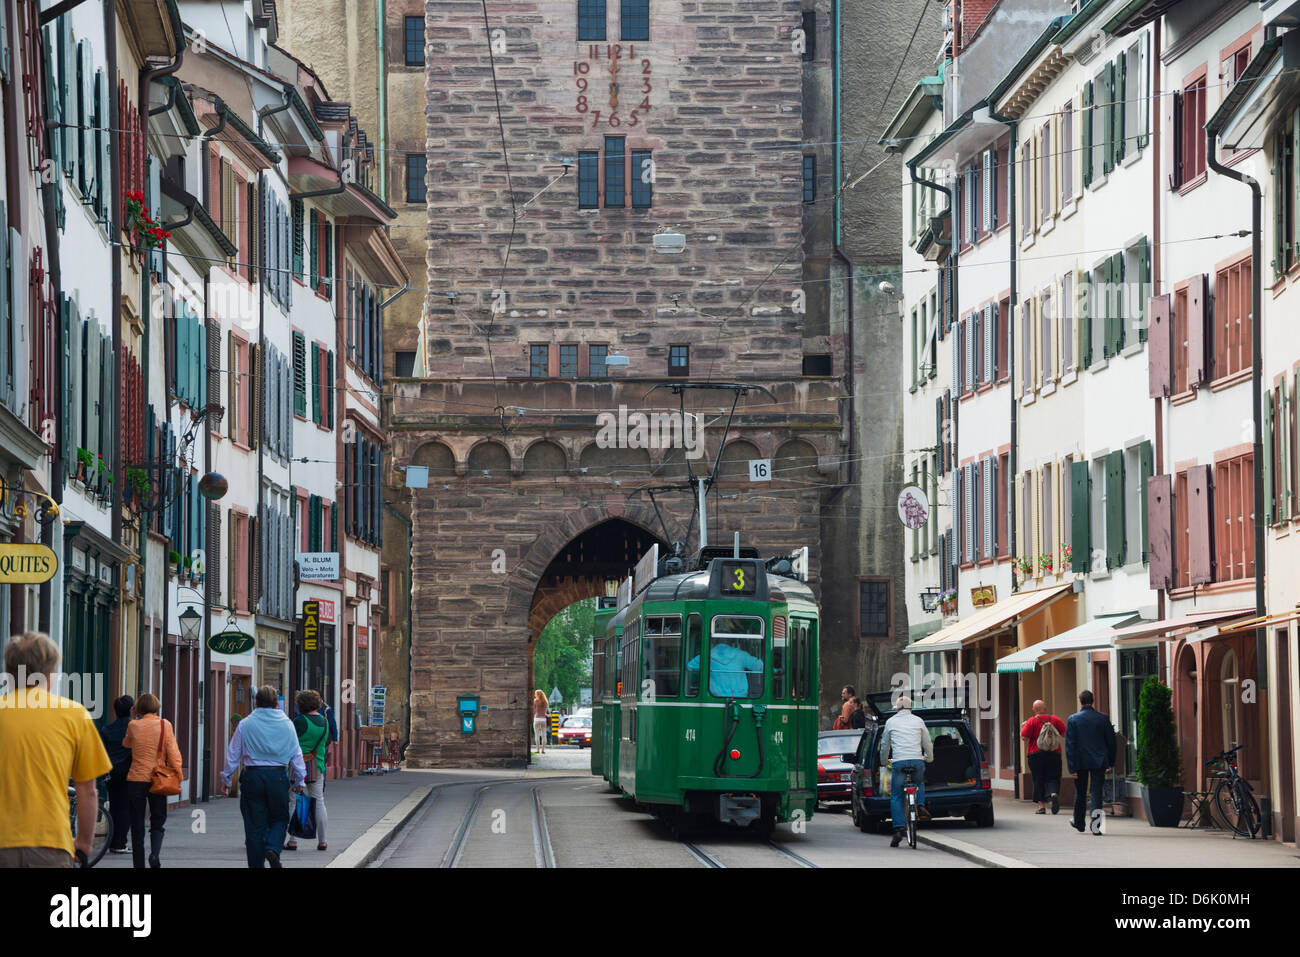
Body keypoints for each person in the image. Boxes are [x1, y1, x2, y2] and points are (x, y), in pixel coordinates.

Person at [0, 632, 113, 867]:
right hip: (50, 843)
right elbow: (88, 790)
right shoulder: (74, 715)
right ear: (51, 674)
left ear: (9, 672)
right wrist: (83, 844)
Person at [220, 685, 306, 868]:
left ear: (256, 703)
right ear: (276, 704)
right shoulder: (287, 724)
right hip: (278, 777)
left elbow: (233, 753)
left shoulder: (246, 723)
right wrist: (300, 779)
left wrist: (226, 778)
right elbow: (296, 753)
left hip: (253, 776)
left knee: (254, 826)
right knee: (280, 818)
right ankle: (273, 848)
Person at [121, 693, 183, 868]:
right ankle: (154, 855)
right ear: (157, 707)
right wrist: (178, 773)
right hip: (158, 779)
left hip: (136, 779)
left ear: (138, 708)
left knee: (137, 824)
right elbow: (173, 753)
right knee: (157, 820)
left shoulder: (133, 725)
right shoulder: (165, 725)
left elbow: (126, 744)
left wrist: (134, 719)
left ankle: (138, 864)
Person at [879, 695, 933, 847]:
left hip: (899, 762)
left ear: (897, 709)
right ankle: (920, 805)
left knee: (896, 795)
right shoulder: (918, 721)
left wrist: (884, 761)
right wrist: (929, 758)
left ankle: (898, 829)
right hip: (917, 760)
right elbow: (927, 742)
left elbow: (885, 745)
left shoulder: (890, 722)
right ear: (911, 708)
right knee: (919, 781)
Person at [1065, 689, 1116, 835]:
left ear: (1080, 701)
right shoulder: (1103, 718)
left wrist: (1071, 767)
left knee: (1080, 792)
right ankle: (1096, 827)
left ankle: (1079, 823)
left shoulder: (1073, 719)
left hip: (1080, 761)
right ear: (1093, 701)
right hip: (1099, 761)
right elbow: (1111, 743)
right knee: (1096, 793)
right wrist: (1110, 762)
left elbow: (1070, 746)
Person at [285, 690, 330, 852]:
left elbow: (290, 743)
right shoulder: (325, 722)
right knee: (319, 801)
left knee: (294, 801)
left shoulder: (299, 721)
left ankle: (293, 840)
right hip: (317, 766)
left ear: (301, 705)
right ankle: (323, 840)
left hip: (298, 766)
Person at [100, 695, 135, 854]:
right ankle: (120, 843)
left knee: (114, 807)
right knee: (126, 808)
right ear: (131, 710)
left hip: (111, 772)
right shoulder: (134, 727)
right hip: (129, 770)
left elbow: (102, 752)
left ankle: (112, 840)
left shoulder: (106, 729)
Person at [1021, 699, 1066, 814]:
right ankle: (1053, 794)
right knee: (1053, 777)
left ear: (1034, 710)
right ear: (1045, 709)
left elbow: (1024, 737)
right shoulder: (1055, 719)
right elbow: (1065, 734)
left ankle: (1041, 806)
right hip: (1054, 753)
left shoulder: (1031, 721)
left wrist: (1024, 726)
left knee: (1038, 779)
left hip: (1035, 754)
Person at [685, 642, 764, 697]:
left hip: (714, 696)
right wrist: (774, 669)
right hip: (740, 696)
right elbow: (758, 667)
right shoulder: (741, 655)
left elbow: (690, 666)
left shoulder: (706, 655)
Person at [532, 689, 549, 754]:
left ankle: (537, 749)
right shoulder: (545, 702)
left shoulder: (535, 701)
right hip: (543, 719)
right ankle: (543, 750)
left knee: (537, 735)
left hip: (537, 719)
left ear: (537, 694)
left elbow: (534, 711)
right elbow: (545, 711)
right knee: (544, 735)